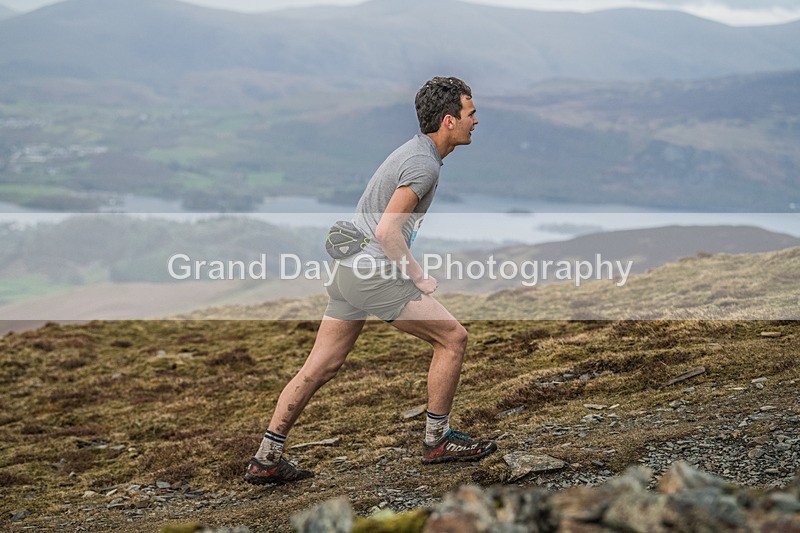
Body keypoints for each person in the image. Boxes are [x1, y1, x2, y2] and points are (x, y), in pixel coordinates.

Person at [244, 76, 497, 485]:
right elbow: (387, 231)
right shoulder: (423, 164)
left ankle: (266, 458)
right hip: (372, 272)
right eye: (471, 113)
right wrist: (418, 276)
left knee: (320, 367)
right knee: (453, 338)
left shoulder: (415, 152)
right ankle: (438, 440)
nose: (476, 121)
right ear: (449, 120)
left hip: (348, 271)